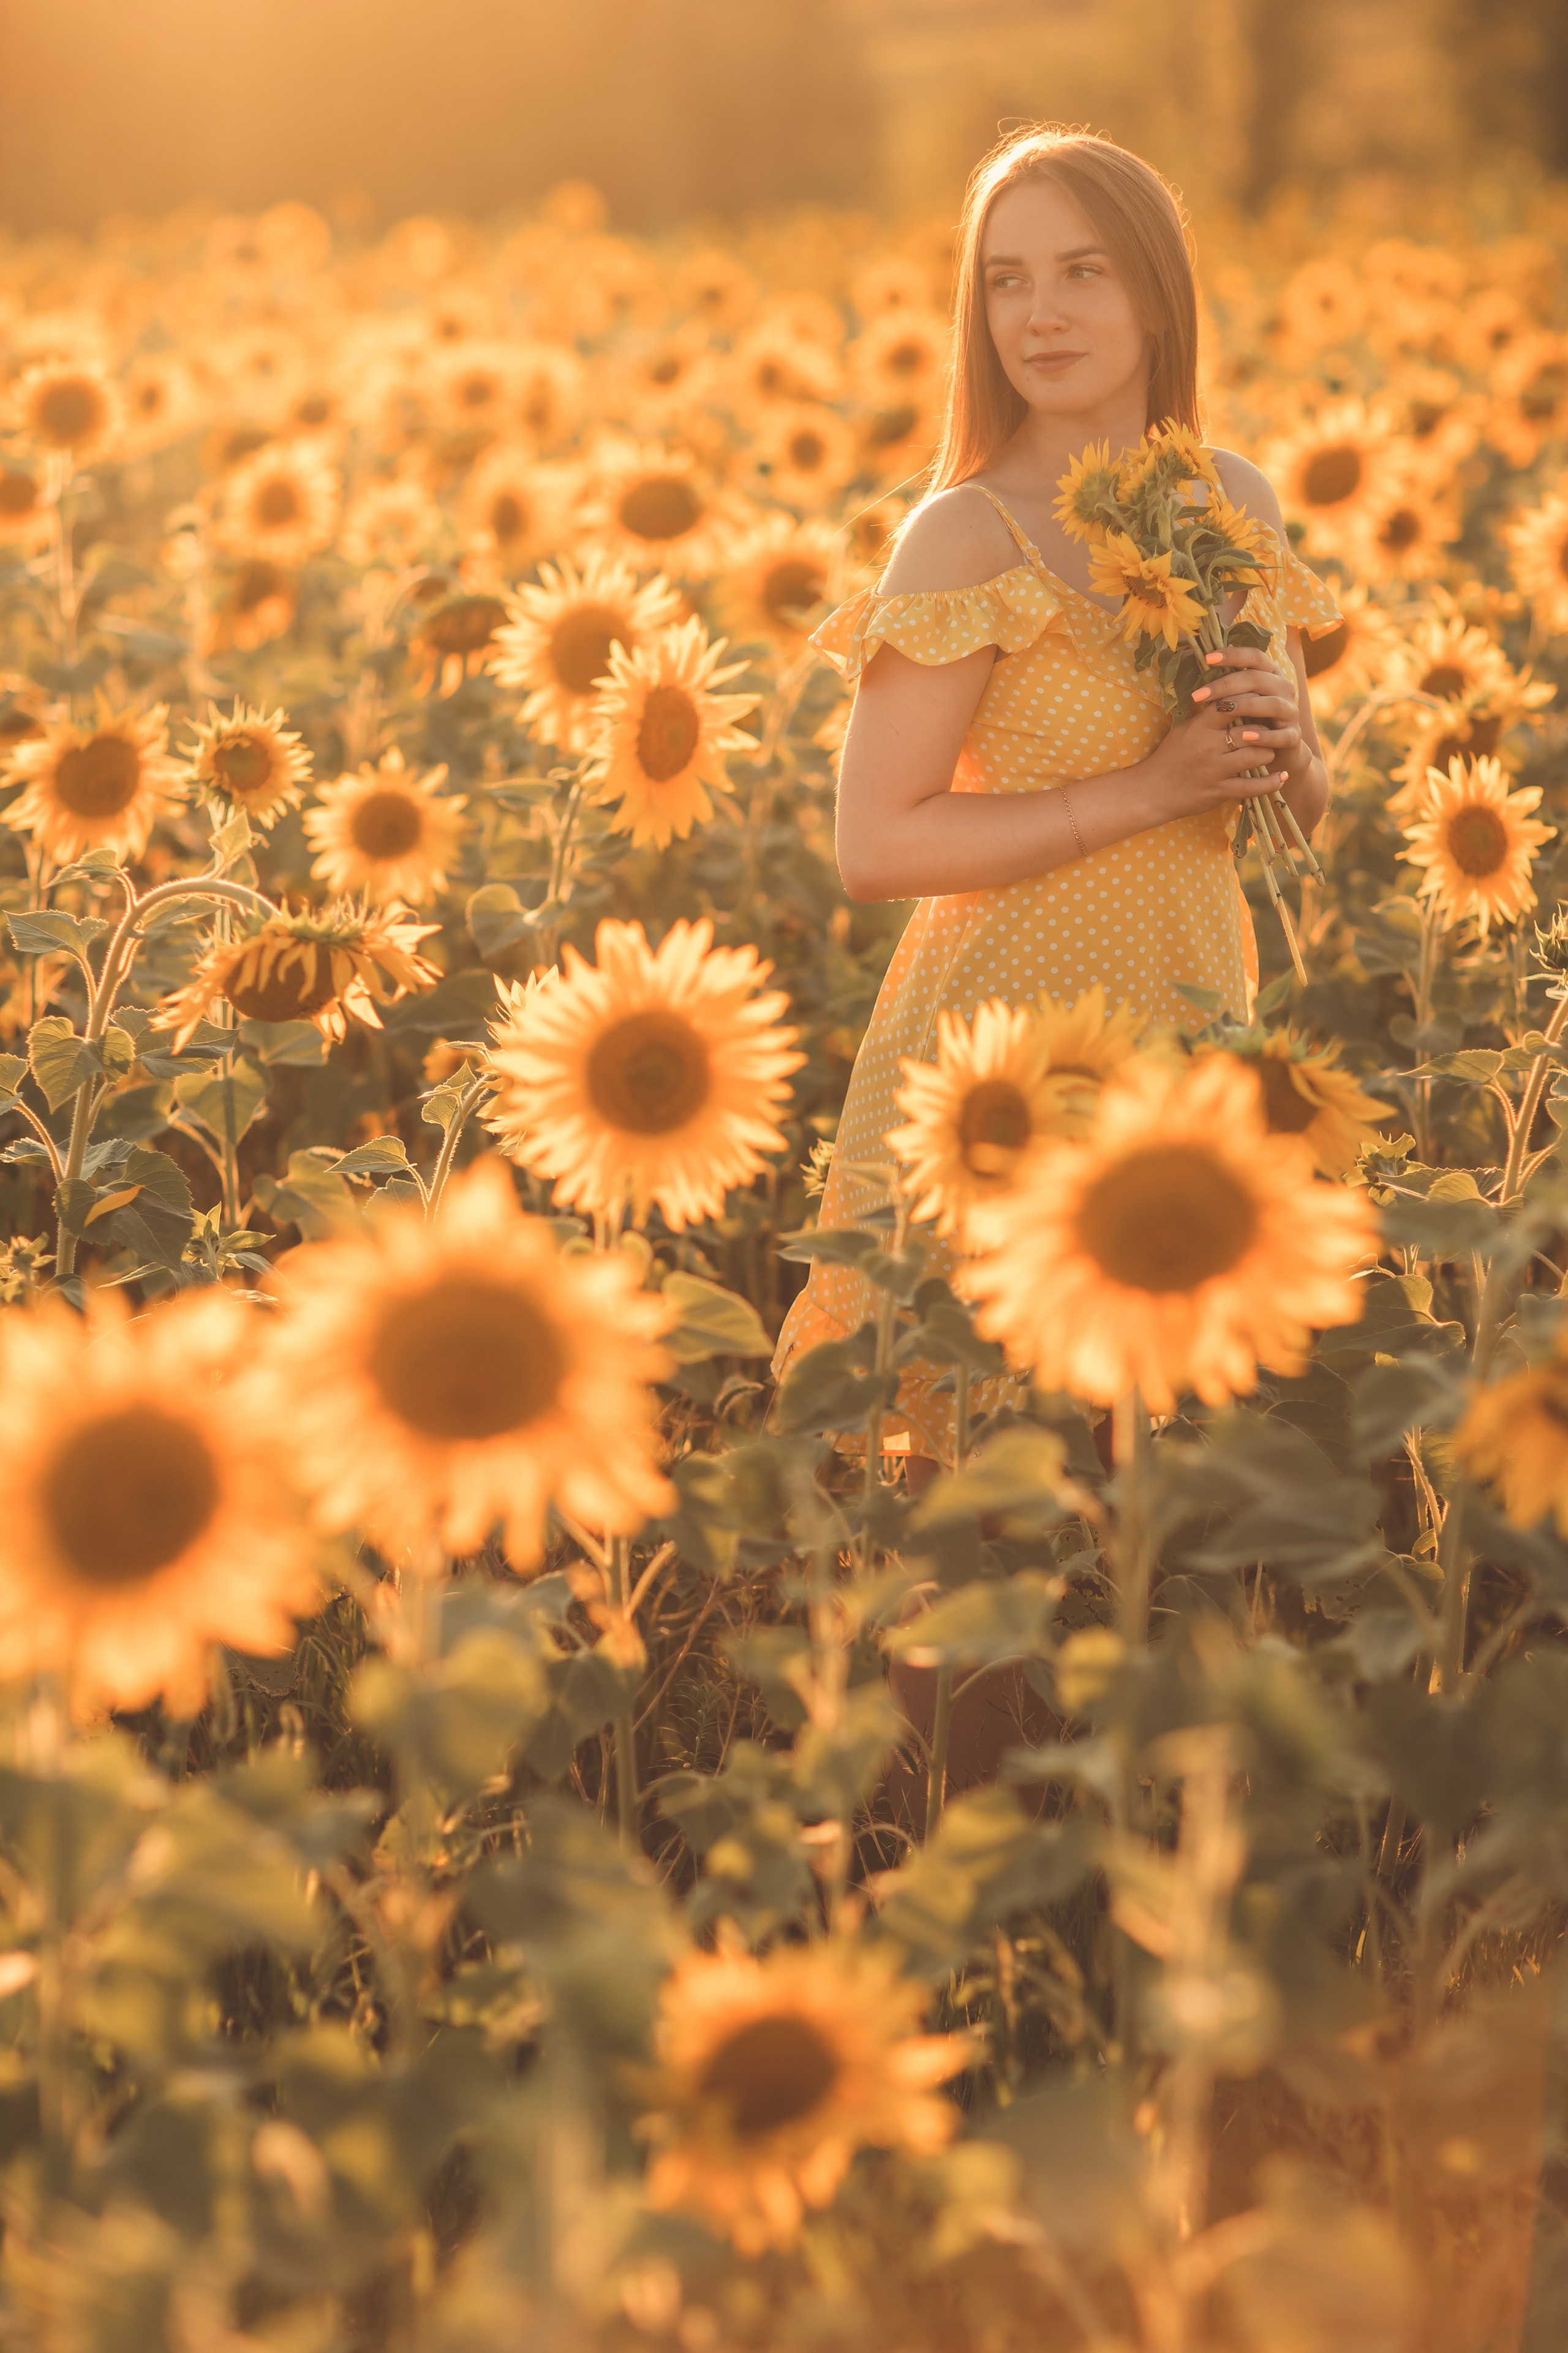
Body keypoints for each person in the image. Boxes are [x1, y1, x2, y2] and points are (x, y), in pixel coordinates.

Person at [772, 123, 1340, 1488]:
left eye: (1082, 271)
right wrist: (1143, 790)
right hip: (996, 1079)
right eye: (1006, 280)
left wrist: (1283, 742)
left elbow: (1295, 809)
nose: (1039, 314)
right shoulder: (966, 533)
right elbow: (875, 843)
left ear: (1156, 295)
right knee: (987, 1508)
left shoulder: (1230, 504)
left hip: (1185, 1027)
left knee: (1153, 1507)